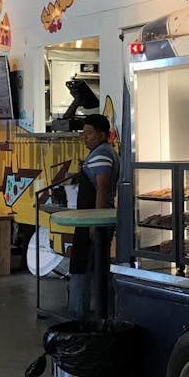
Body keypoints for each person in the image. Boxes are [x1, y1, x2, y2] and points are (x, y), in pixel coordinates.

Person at [68, 113, 117, 319]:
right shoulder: (102, 152)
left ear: (102, 134)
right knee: (97, 265)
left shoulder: (102, 153)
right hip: (91, 217)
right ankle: (101, 312)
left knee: (83, 265)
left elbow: (103, 188)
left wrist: (94, 222)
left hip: (93, 219)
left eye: (89, 133)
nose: (84, 137)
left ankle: (81, 316)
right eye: (83, 133)